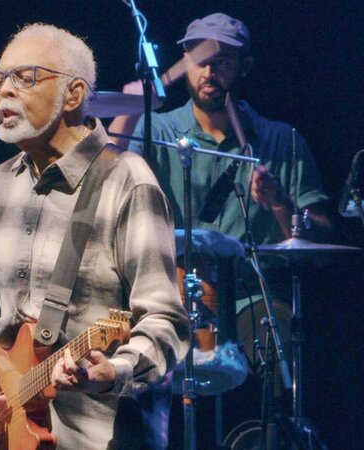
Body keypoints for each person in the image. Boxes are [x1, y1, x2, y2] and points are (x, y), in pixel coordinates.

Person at [0, 23, 189, 449]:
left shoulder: (126, 181)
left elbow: (165, 320)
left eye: (24, 77)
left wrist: (113, 371)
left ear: (73, 95)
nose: (4, 91)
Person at [109, 13, 332, 371]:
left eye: (222, 62)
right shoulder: (157, 132)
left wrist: (279, 203)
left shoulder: (280, 141)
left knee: (277, 338)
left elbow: (322, 247)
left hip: (250, 296)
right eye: (200, 61)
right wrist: (129, 113)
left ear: (245, 67)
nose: (209, 72)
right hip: (168, 294)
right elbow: (103, 182)